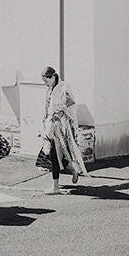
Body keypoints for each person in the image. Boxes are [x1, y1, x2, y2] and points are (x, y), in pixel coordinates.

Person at [38, 66, 87, 194]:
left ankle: (55, 187)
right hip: (50, 127)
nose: (45, 83)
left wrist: (60, 114)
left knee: (55, 156)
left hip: (61, 128)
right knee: (52, 155)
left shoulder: (63, 88)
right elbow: (48, 106)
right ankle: (72, 168)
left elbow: (71, 106)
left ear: (53, 77)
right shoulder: (50, 89)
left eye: (46, 80)